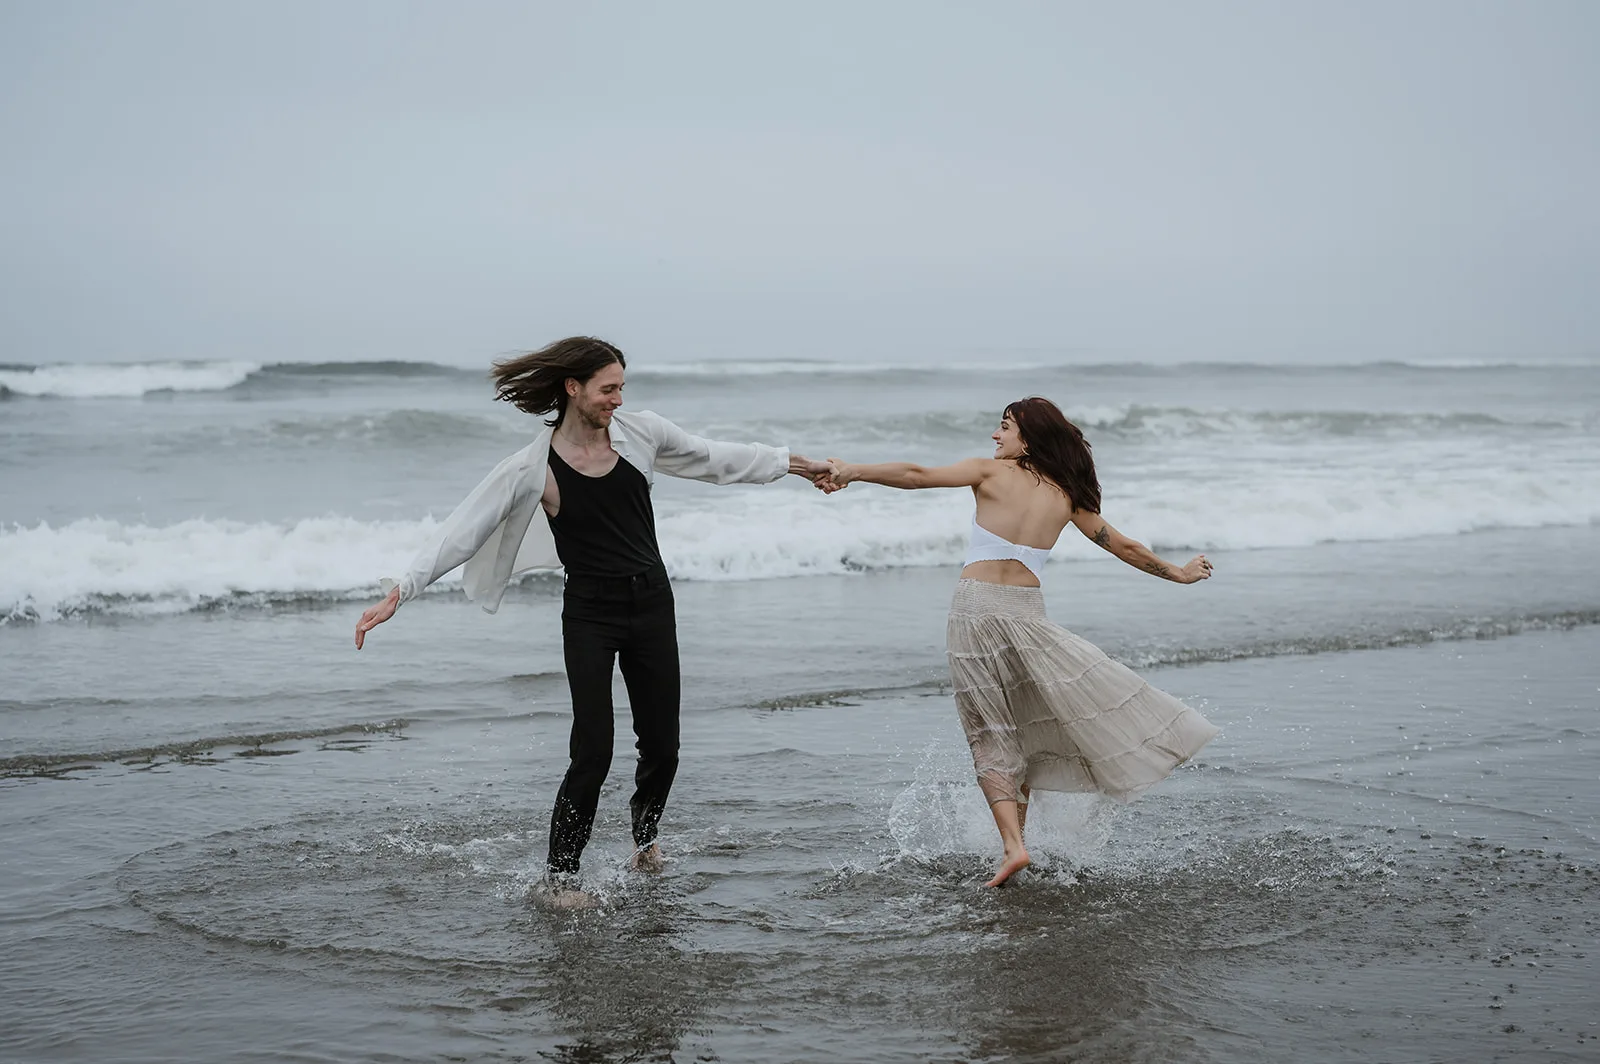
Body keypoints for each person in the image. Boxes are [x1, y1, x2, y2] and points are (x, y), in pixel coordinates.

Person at [354, 336, 836, 904]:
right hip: (589, 612)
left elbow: (717, 458)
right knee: (594, 748)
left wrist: (797, 465)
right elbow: (462, 531)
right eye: (608, 389)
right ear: (572, 387)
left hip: (653, 604)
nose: (617, 399)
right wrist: (400, 591)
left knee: (663, 746)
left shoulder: (642, 434)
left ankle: (645, 836)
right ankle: (561, 877)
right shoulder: (531, 469)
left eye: (621, 388)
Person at [823, 396, 1219, 887]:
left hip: (975, 611)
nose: (996, 436)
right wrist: (1179, 575)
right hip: (1029, 616)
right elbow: (1125, 547)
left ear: (1028, 436)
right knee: (1026, 730)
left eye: (1005, 427)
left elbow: (916, 474)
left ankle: (1013, 847)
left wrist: (853, 470)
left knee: (989, 732)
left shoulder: (988, 474)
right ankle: (1018, 843)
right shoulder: (1068, 494)